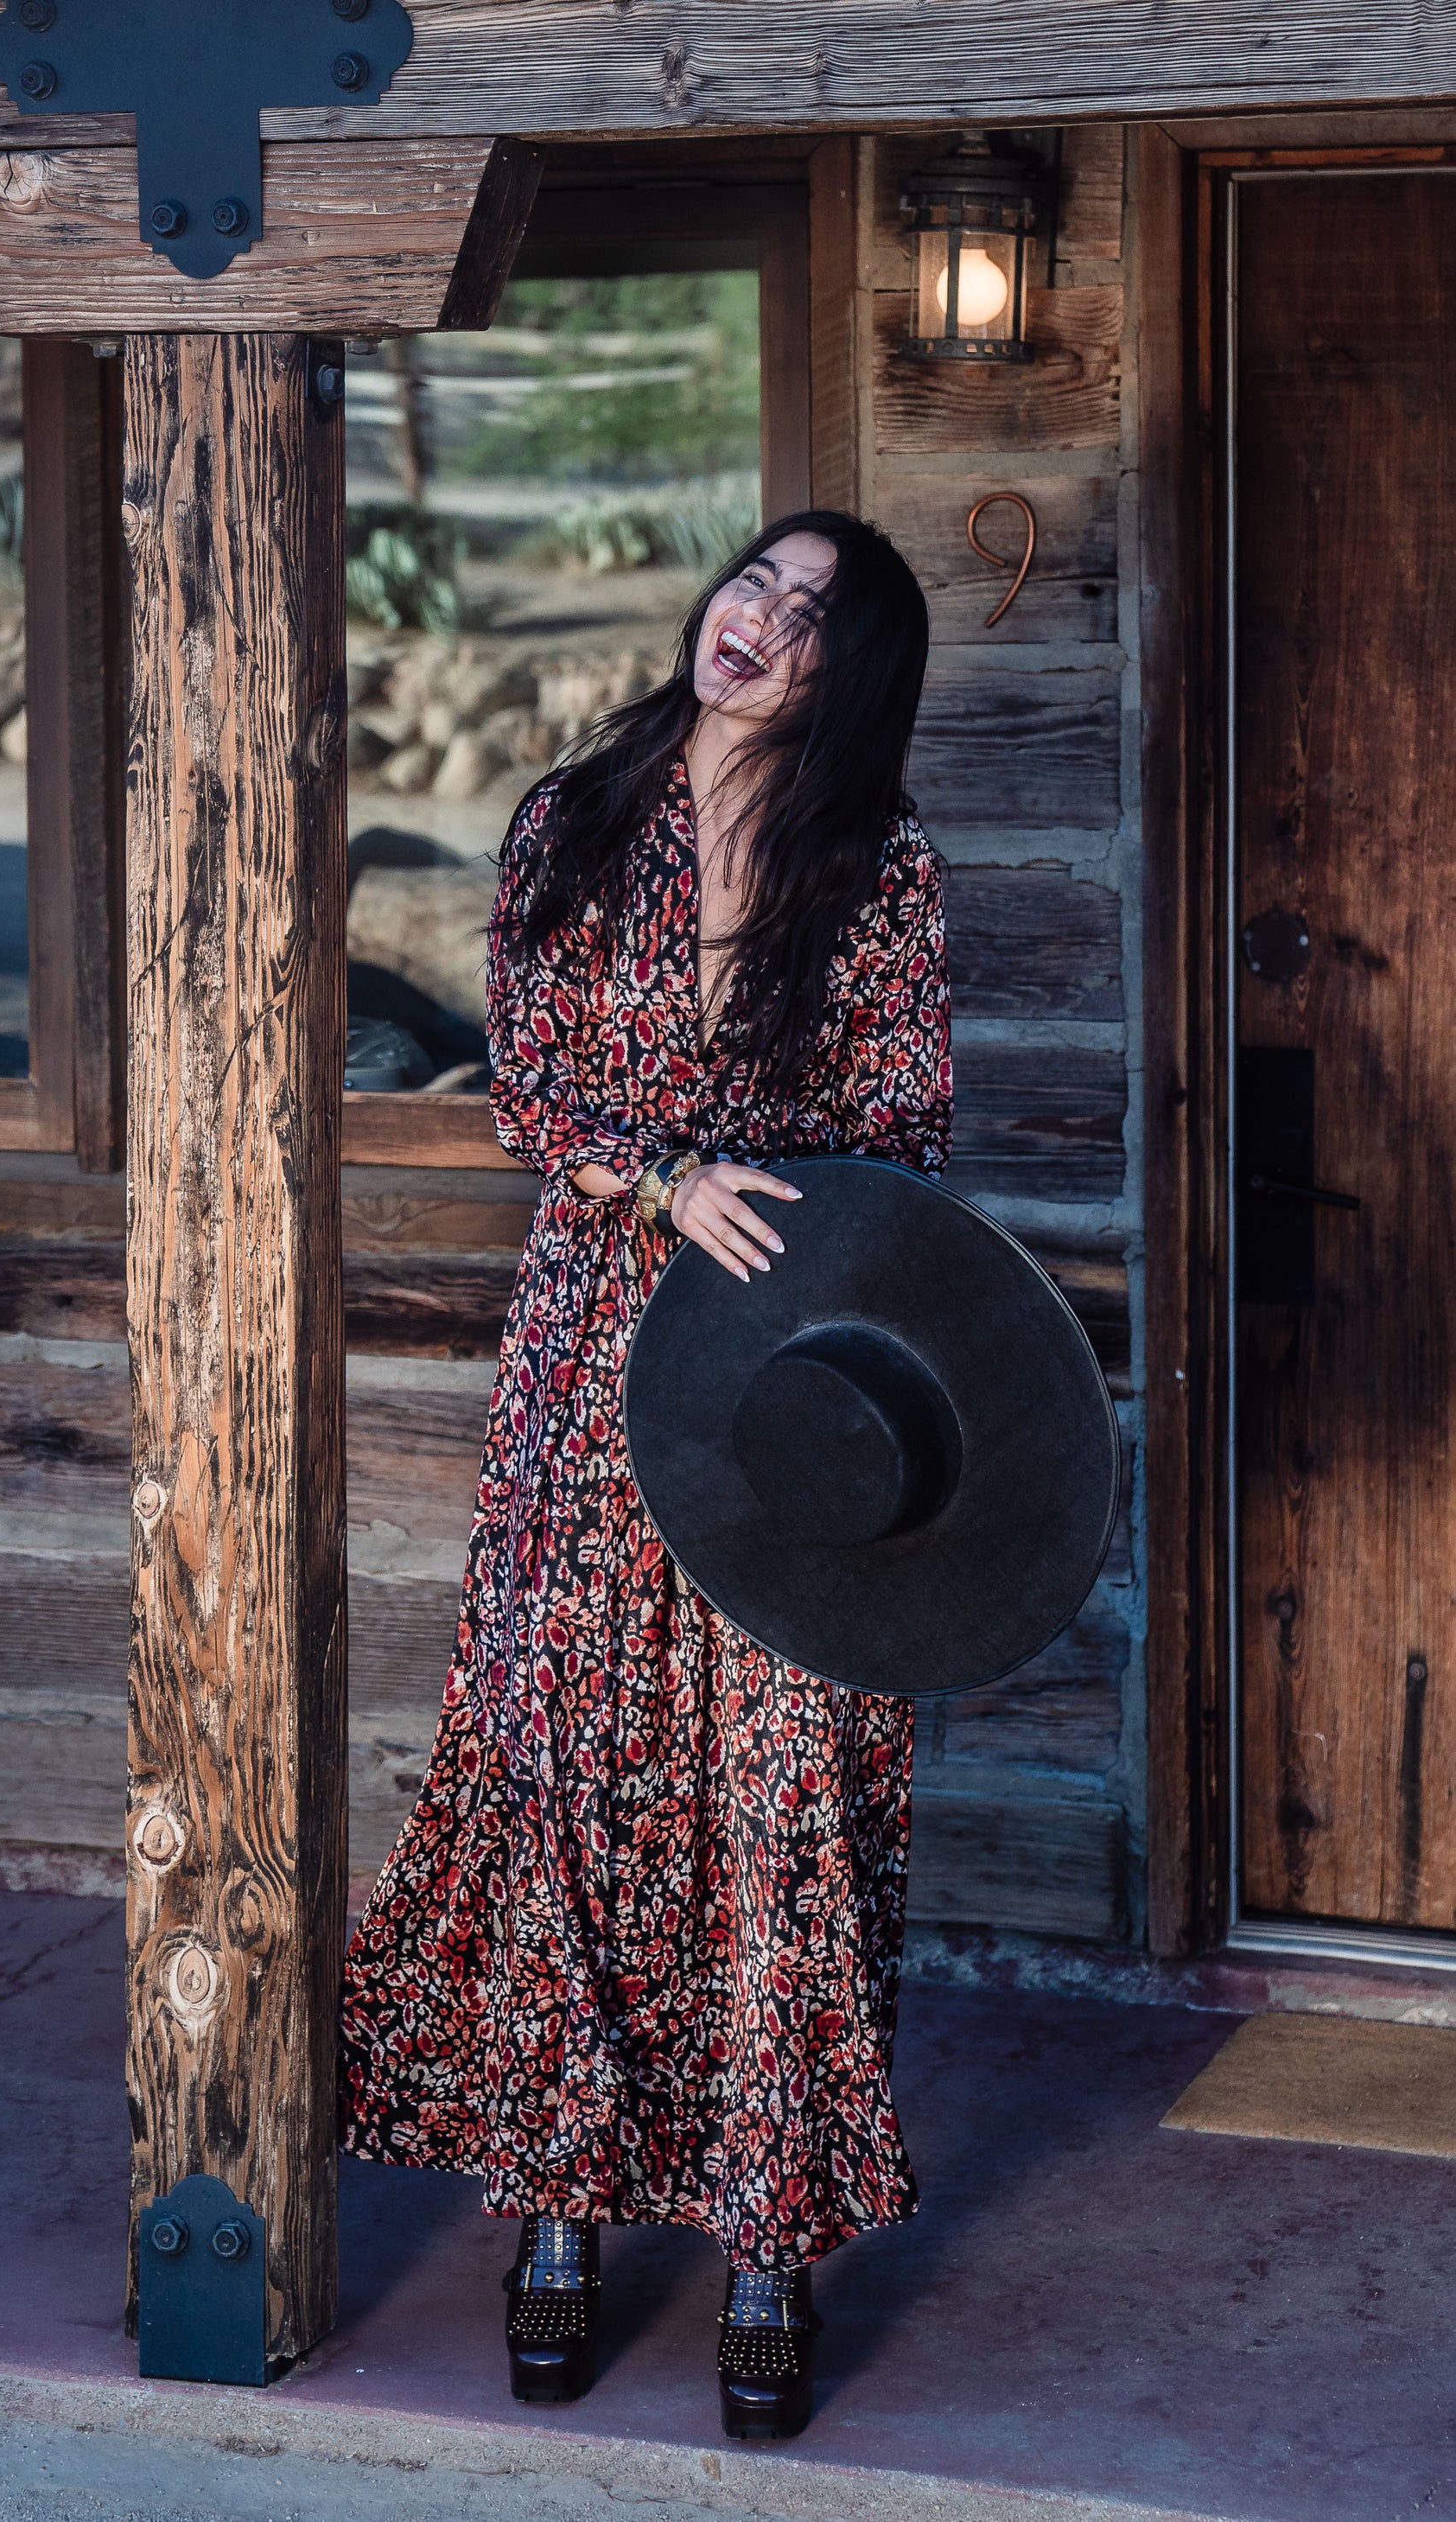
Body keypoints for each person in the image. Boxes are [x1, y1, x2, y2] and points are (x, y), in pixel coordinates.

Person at [340, 510, 951, 2442]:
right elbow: (524, 1077)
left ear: (849, 673)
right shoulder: (572, 816)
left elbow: (904, 1118)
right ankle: (557, 2210)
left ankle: (767, 2233)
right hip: (588, 1359)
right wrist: (656, 1177)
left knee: (781, 1785)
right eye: (748, 583)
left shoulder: (881, 870)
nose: (753, 622)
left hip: (781, 1370)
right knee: (560, 1765)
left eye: (805, 614)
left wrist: (775, 1209)